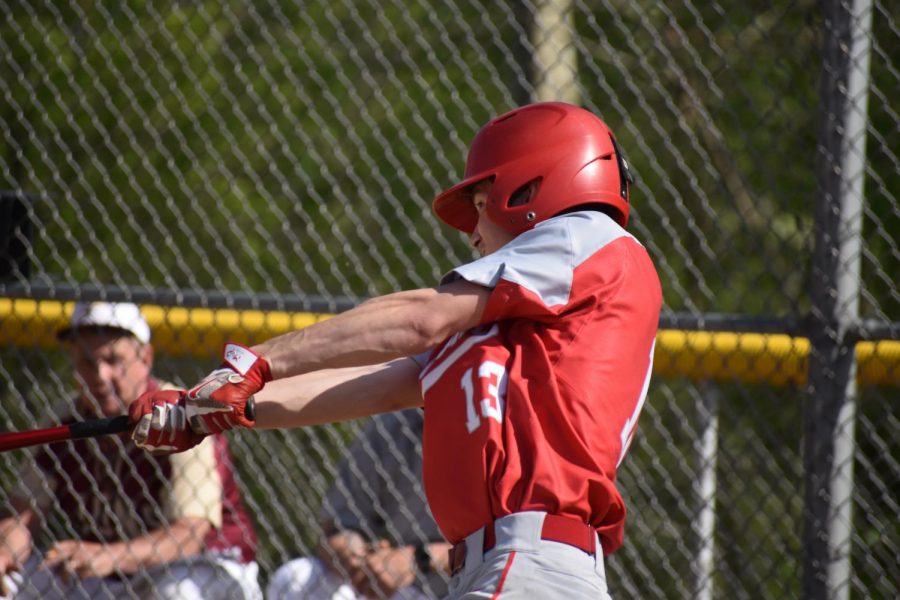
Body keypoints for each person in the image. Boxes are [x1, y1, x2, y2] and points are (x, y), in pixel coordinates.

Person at [131, 101, 663, 599]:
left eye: (480, 207)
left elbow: (421, 317)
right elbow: (386, 382)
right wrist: (218, 409)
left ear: (533, 186)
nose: (473, 236)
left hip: (530, 558)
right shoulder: (519, 326)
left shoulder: (585, 237)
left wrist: (254, 362)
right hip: (502, 564)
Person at [0, 302, 263, 600]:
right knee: (14, 583)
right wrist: (4, 552)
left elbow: (188, 535)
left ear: (145, 358)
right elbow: (22, 514)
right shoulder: (65, 421)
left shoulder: (181, 415)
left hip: (205, 567)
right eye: (87, 362)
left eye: (114, 360)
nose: (100, 374)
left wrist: (107, 556)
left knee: (176, 590)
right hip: (106, 574)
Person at [267, 409, 450, 599]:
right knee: (297, 578)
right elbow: (338, 526)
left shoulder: (480, 424)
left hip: (469, 587)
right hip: (408, 590)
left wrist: (418, 558)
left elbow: (482, 549)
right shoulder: (394, 422)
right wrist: (357, 559)